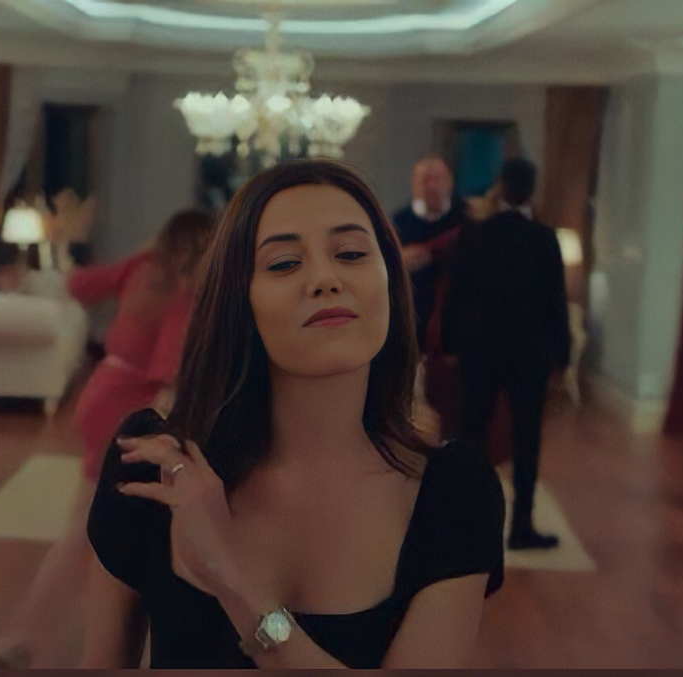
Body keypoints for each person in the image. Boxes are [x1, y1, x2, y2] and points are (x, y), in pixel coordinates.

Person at [79, 159, 504, 669]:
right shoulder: (157, 468)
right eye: (283, 264)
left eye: (351, 254)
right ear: (240, 301)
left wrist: (232, 577)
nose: (325, 279)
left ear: (390, 283)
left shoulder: (455, 491)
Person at [0, 208, 214, 668]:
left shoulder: (142, 266)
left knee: (96, 524)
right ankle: (27, 635)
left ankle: (36, 632)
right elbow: (169, 370)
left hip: (100, 391)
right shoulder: (186, 292)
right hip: (129, 408)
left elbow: (80, 285)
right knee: (91, 531)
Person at [442, 157, 570, 551]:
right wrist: (562, 357)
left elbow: (456, 294)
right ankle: (521, 527)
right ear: (532, 190)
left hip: (479, 350)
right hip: (529, 354)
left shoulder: (474, 234)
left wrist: (450, 344)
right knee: (526, 440)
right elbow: (556, 303)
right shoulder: (544, 238)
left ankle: (470, 525)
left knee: (473, 434)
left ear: (501, 187)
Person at [392, 156, 469, 352]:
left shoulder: (466, 221)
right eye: (425, 180)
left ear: (449, 183)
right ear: (414, 185)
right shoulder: (398, 222)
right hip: (410, 323)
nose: (432, 186)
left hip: (455, 324)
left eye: (438, 179)